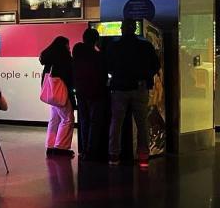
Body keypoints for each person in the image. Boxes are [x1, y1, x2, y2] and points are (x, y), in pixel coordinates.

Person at [105, 19, 160, 166]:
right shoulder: (146, 46)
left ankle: (114, 156)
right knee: (142, 123)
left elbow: (107, 66)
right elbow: (156, 65)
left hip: (119, 88)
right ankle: (143, 157)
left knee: (116, 123)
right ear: (135, 29)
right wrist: (145, 76)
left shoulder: (114, 46)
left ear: (122, 29)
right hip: (140, 87)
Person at [72, 27, 106, 161]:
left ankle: (84, 150)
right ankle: (91, 151)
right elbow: (103, 73)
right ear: (96, 40)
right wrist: (100, 47)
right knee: (94, 122)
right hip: (96, 93)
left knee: (84, 121)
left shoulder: (77, 51)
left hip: (80, 91)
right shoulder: (98, 56)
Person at [40, 36, 75, 155]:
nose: (69, 48)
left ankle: (50, 145)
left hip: (52, 96)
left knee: (54, 119)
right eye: (67, 45)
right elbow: (70, 78)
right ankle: (61, 147)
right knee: (68, 119)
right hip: (61, 95)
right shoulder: (64, 60)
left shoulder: (49, 61)